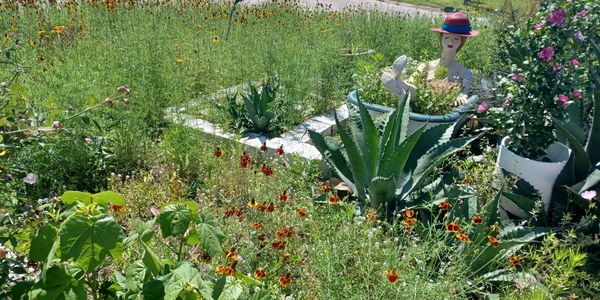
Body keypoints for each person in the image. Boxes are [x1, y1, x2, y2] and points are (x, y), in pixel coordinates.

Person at [381, 12, 479, 107]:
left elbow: (464, 93)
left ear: (462, 41)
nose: (450, 41)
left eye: (456, 39)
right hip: (421, 103)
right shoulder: (427, 66)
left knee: (420, 95)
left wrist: (461, 96)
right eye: (446, 37)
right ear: (441, 38)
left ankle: (400, 91)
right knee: (416, 91)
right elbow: (412, 81)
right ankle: (398, 81)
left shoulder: (465, 73)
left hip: (440, 108)